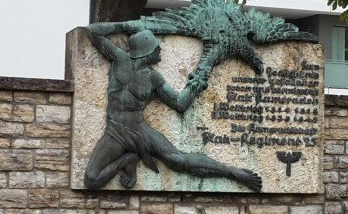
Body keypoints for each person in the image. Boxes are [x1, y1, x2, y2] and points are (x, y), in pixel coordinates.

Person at [84, 22, 262, 192]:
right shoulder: (120, 58)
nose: (160, 49)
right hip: (115, 132)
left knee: (176, 159)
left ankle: (233, 172)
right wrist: (124, 26)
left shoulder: (154, 78)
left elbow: (179, 104)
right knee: (91, 179)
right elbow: (93, 31)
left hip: (139, 130)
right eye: (156, 47)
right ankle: (127, 160)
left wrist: (196, 85)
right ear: (147, 51)